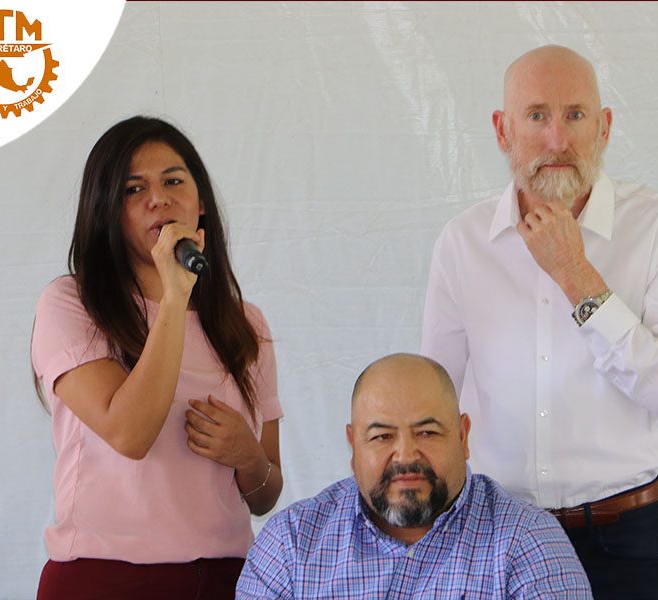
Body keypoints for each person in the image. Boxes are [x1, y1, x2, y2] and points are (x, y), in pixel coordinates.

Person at [420, 45, 658, 599]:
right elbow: (434, 405)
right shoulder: (463, 242)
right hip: (496, 541)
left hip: (626, 543)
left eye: (575, 115)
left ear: (604, 127)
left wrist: (576, 275)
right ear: (502, 130)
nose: (557, 140)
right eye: (537, 116)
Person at [31, 116, 283, 599]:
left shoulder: (246, 324)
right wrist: (174, 297)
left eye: (173, 181)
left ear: (200, 202)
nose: (159, 199)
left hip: (227, 580)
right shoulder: (72, 304)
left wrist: (247, 455)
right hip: (106, 579)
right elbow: (131, 433)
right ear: (106, 209)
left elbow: (265, 495)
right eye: (133, 189)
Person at [236, 353, 592, 599]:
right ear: (353, 446)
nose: (406, 455)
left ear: (463, 436)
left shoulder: (528, 542)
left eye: (427, 432)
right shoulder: (291, 543)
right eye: (382, 436)